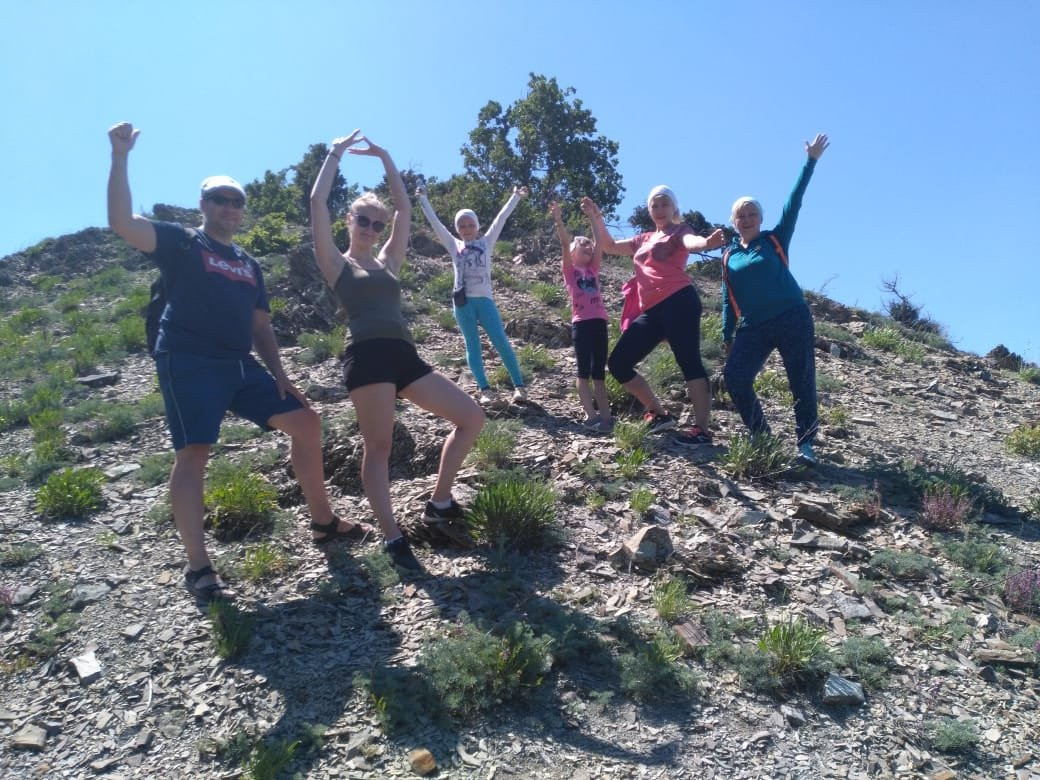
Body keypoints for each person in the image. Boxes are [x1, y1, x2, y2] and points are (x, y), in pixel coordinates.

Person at [106, 121, 362, 605]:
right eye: (219, 200)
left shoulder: (249, 263)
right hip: (186, 359)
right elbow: (122, 223)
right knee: (193, 456)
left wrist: (282, 376)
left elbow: (261, 327)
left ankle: (324, 524)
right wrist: (120, 157)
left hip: (238, 363)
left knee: (306, 422)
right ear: (203, 205)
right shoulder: (182, 242)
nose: (229, 208)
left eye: (236, 202)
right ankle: (199, 567)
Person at [310, 131, 485, 571]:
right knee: (380, 447)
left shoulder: (388, 261)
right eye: (362, 221)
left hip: (404, 355)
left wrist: (387, 158)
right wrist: (334, 154)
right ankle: (392, 536)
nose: (370, 228)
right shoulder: (336, 263)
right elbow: (317, 204)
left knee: (471, 416)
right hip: (366, 357)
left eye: (376, 223)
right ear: (349, 221)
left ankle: (440, 501)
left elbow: (405, 209)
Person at [721, 133, 830, 465]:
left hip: (792, 316)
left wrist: (810, 161)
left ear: (761, 218)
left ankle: (806, 445)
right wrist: (726, 334)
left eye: (752, 212)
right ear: (734, 221)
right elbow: (729, 298)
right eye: (741, 214)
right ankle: (761, 435)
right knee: (735, 377)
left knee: (800, 378)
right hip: (754, 326)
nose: (747, 218)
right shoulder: (728, 256)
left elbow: (793, 202)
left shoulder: (774, 240)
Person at [585, 190, 724, 444]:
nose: (659, 209)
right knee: (618, 363)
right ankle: (660, 414)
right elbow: (609, 246)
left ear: (674, 208)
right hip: (651, 310)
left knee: (689, 362)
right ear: (650, 210)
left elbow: (692, 242)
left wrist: (707, 243)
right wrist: (596, 218)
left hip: (679, 300)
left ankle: (702, 430)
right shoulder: (643, 239)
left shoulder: (680, 231)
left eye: (664, 204)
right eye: (655, 205)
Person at [415, 184, 529, 404]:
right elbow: (435, 224)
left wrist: (515, 196)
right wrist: (423, 200)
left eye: (470, 224)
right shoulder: (454, 244)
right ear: (457, 229)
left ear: (477, 226)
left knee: (501, 342)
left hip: (485, 301)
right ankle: (485, 390)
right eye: (462, 225)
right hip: (462, 303)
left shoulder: (486, 242)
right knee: (472, 346)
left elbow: (501, 219)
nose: (466, 229)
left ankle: (519, 387)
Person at [550, 199, 612, 433]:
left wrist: (593, 218)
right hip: (581, 324)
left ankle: (605, 416)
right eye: (582, 245)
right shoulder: (570, 270)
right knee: (583, 370)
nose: (587, 247)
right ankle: (590, 415)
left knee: (599, 372)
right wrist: (558, 220)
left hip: (599, 322)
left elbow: (599, 244)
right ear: (573, 253)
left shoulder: (593, 269)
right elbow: (565, 244)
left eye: (588, 245)